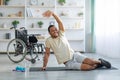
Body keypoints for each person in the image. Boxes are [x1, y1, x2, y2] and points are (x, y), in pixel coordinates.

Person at [42, 10, 111, 71]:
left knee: (91, 62)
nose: (55, 31)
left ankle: (100, 61)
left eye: (56, 29)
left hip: (74, 55)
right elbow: (47, 54)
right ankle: (96, 64)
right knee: (88, 67)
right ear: (49, 33)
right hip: (68, 63)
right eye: (52, 31)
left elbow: (60, 22)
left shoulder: (61, 34)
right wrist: (44, 66)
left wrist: (53, 14)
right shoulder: (48, 41)